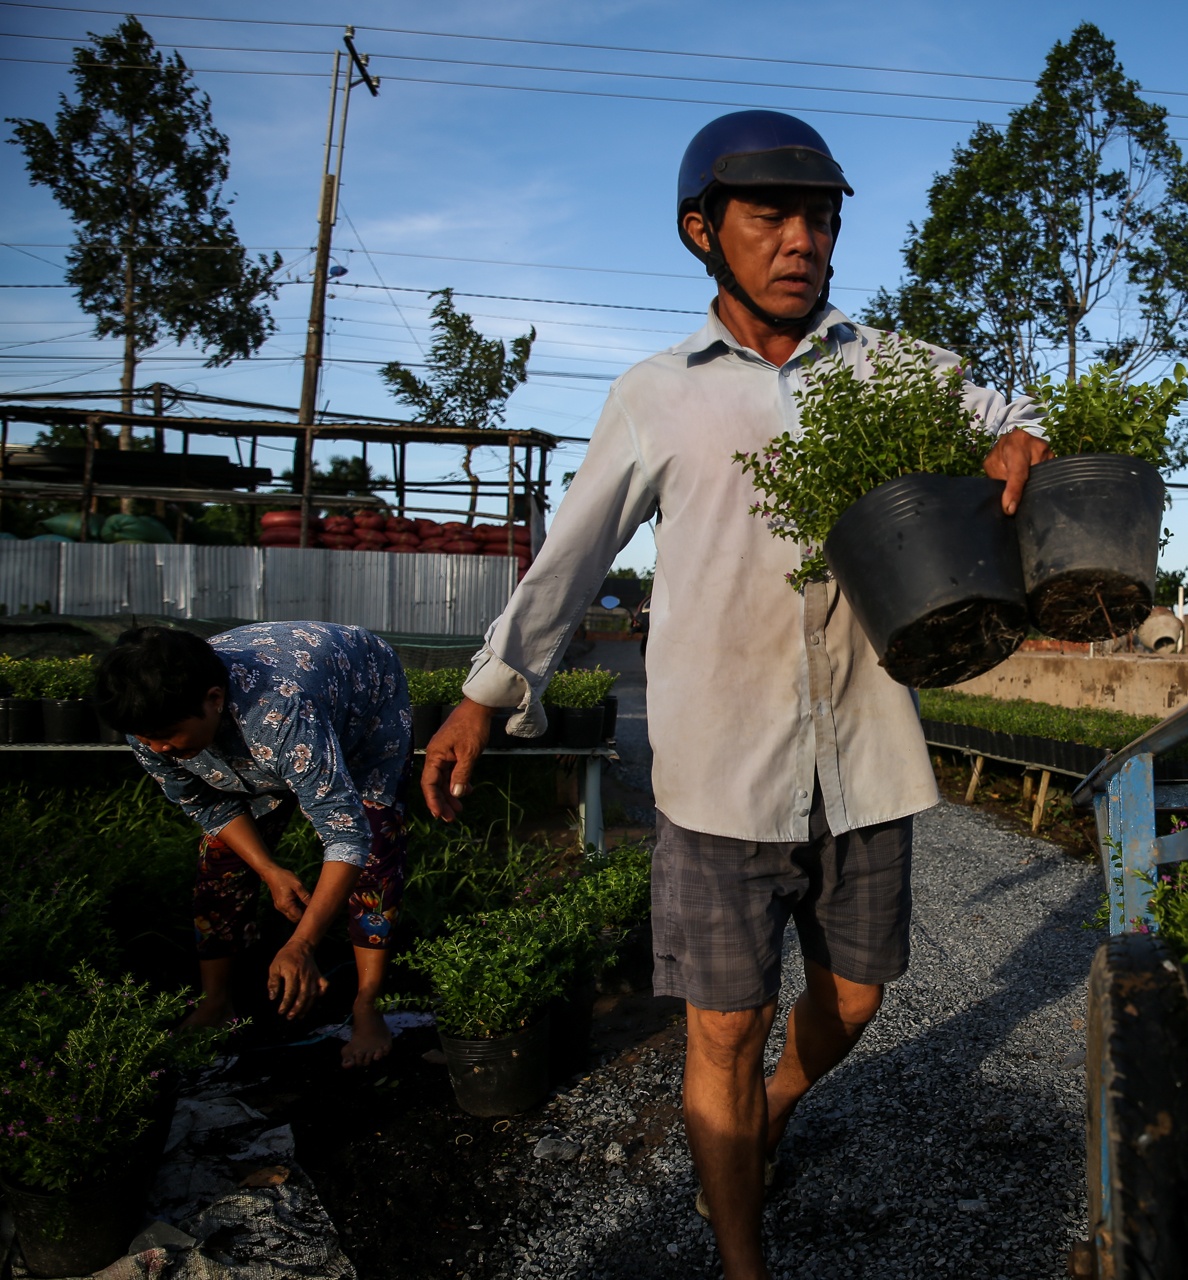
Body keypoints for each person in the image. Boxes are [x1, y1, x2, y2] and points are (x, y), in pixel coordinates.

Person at [421, 110, 1051, 1279]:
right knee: (723, 1025)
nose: (802, 239)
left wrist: (1019, 442)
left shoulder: (896, 368)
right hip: (721, 774)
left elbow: (1008, 415)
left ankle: (774, 1103)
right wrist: (487, 692)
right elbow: (574, 555)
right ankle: (742, 1259)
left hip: (865, 752)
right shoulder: (657, 395)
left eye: (820, 217)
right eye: (771, 216)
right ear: (702, 230)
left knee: (856, 998)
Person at [94, 623, 411, 1069]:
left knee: (375, 843)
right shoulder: (148, 722)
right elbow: (207, 804)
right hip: (267, 727)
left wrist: (302, 944)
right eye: (147, 739)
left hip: (362, 695)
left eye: (167, 734)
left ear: (213, 699)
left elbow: (345, 833)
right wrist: (269, 870)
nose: (158, 748)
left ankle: (366, 1004)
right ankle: (216, 1003)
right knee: (221, 858)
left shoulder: (279, 711)